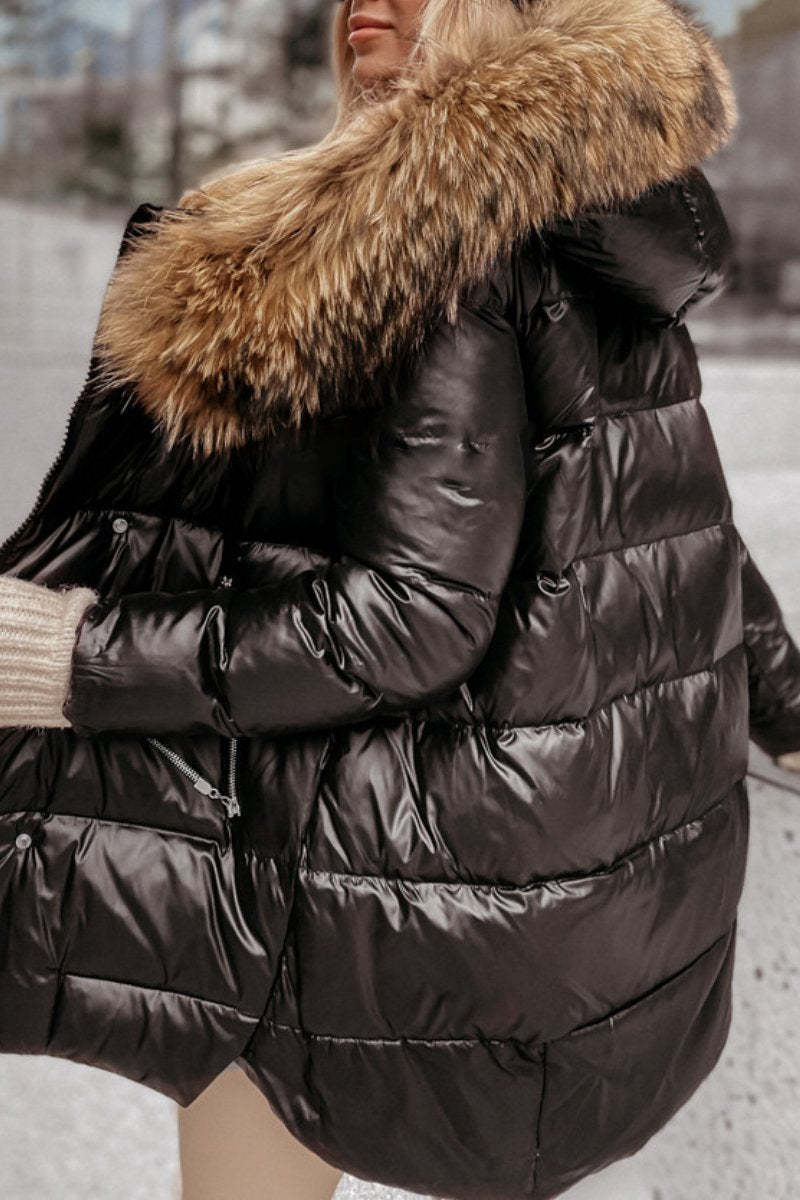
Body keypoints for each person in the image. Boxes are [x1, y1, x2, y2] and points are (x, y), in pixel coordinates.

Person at [1, 1, 799, 1199]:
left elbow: (411, 618)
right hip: (584, 907)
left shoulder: (434, 241)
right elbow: (677, 522)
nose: (364, 0)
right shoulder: (597, 236)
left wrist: (71, 653)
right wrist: (785, 705)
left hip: (375, 896)